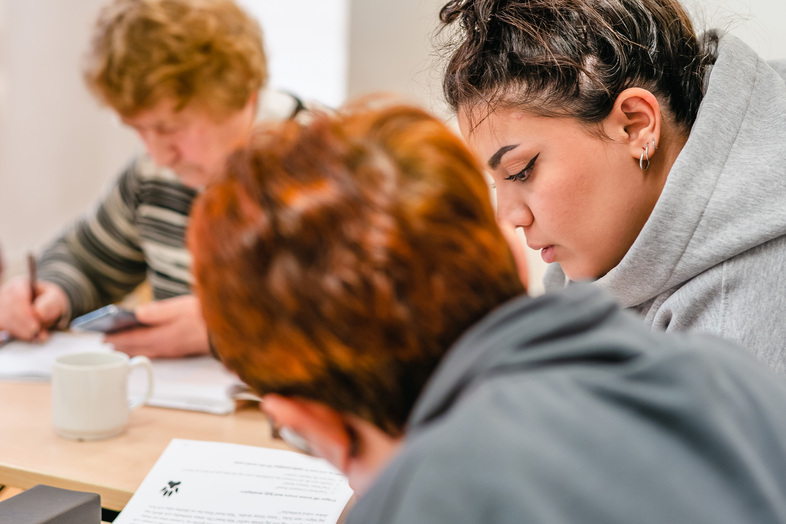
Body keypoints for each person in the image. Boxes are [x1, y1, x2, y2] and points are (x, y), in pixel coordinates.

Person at [189, 103, 786, 523]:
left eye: (522, 171)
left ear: (309, 423)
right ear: (505, 254)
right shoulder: (729, 376)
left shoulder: (439, 498)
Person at [437, 0, 786, 373]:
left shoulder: (733, 331)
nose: (507, 216)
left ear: (636, 125)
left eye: (521, 171)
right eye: (495, 184)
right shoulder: (597, 247)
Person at [0, 0, 316, 357]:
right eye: (139, 130)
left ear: (238, 91)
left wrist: (229, 326)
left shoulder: (330, 169)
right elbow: (84, 259)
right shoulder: (154, 176)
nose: (159, 156)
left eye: (170, 128)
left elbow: (370, 320)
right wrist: (47, 293)